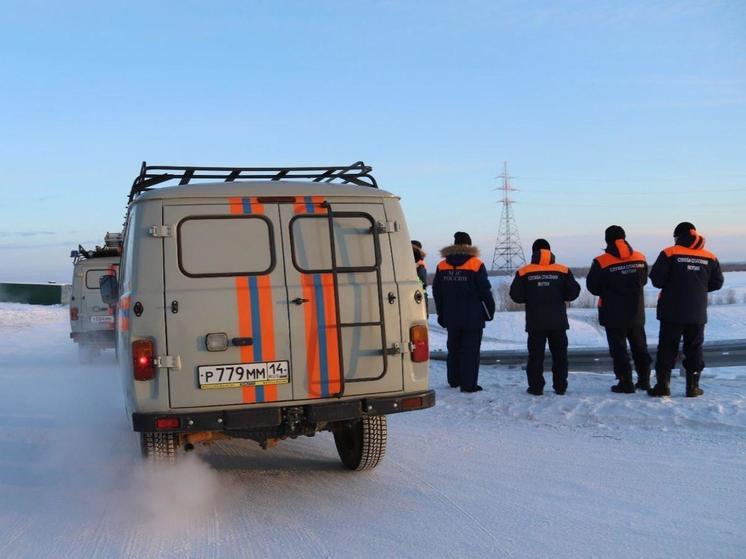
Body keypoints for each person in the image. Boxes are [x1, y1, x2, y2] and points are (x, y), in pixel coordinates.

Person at [648, 222, 724, 397]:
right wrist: (697, 288)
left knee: (667, 347)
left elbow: (657, 280)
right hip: (697, 312)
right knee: (694, 348)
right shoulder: (710, 257)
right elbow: (717, 283)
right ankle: (693, 387)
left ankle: (663, 386)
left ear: (677, 236)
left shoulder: (669, 253)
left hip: (671, 311)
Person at [509, 239, 580, 395]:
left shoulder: (524, 272)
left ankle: (536, 388)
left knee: (535, 356)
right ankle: (560, 387)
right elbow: (573, 293)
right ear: (550, 251)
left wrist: (532, 295)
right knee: (560, 355)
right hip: (558, 322)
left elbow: (516, 295)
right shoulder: (563, 270)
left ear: (533, 252)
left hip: (535, 322)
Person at [586, 225, 652, 393]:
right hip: (636, 311)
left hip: (613, 313)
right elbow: (643, 280)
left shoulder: (601, 261)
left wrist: (610, 290)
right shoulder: (640, 257)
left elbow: (593, 287)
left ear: (607, 240)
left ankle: (625, 382)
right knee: (640, 347)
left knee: (619, 349)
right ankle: (644, 381)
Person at [432, 231, 495, 393]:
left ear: (454, 244)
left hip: (451, 315)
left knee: (453, 349)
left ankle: (454, 381)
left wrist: (441, 313)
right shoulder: (476, 264)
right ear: (469, 245)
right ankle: (468, 385)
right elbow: (485, 290)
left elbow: (437, 292)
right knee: (470, 351)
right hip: (473, 316)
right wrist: (490, 311)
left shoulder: (442, 265)